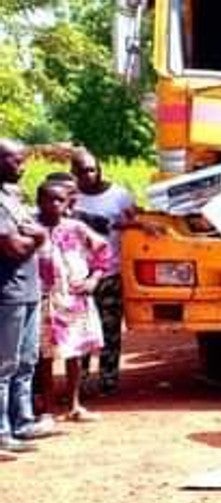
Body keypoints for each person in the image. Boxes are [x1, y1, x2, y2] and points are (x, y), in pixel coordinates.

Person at [34, 181, 110, 422]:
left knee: (74, 353)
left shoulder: (76, 228)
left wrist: (94, 279)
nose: (54, 204)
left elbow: (103, 251)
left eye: (60, 200)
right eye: (49, 199)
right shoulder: (31, 228)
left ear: (68, 203)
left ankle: (74, 404)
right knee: (45, 356)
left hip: (74, 298)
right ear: (39, 202)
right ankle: (47, 407)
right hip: (43, 299)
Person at [0, 139, 56, 452]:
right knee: (4, 364)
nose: (23, 167)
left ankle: (21, 422)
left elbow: (27, 236)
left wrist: (33, 234)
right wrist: (40, 235)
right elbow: (16, 247)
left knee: (26, 361)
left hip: (28, 289)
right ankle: (2, 430)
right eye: (16, 161)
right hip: (7, 293)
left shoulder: (11, 198)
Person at [71, 149, 135, 396]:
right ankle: (81, 378)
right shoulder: (69, 197)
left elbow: (133, 220)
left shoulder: (119, 196)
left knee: (110, 330)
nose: (89, 175)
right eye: (83, 171)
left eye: (92, 169)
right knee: (80, 330)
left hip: (109, 274)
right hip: (78, 277)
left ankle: (109, 380)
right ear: (73, 173)